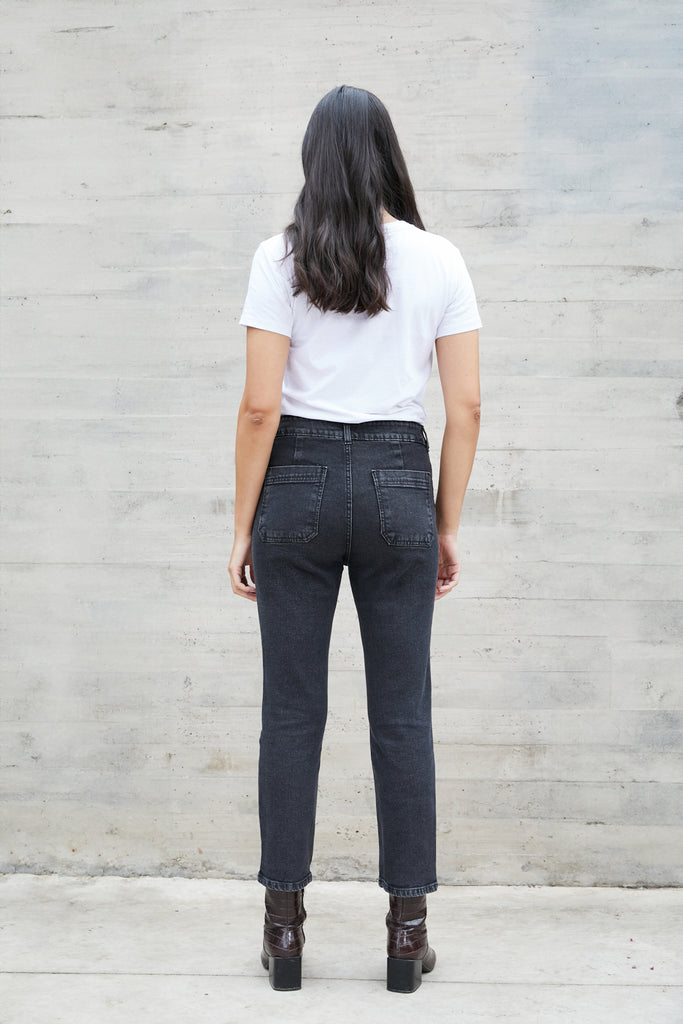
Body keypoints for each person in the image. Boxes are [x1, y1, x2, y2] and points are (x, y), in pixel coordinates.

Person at [228, 84, 482, 994]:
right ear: (387, 155)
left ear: (314, 158)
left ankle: (284, 931)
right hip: (396, 482)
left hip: (295, 483)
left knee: (291, 713)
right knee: (402, 714)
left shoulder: (279, 257)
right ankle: (406, 935)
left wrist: (242, 524)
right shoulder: (439, 258)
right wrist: (441, 522)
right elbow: (466, 407)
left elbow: (261, 408)